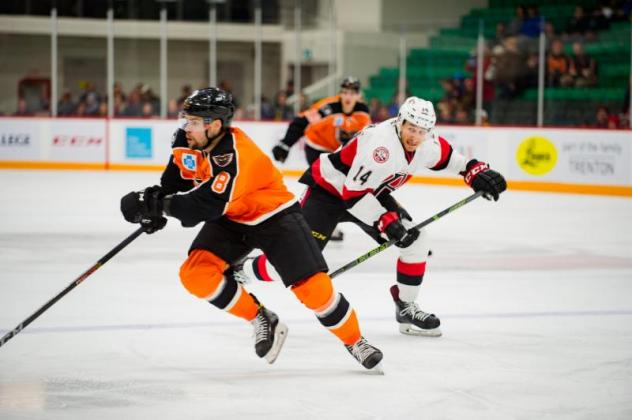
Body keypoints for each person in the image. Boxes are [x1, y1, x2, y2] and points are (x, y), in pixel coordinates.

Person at [119, 87, 383, 370]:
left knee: (314, 291)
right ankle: (261, 317)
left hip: (275, 216)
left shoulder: (235, 156)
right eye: (186, 119)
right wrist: (154, 203)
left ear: (215, 125)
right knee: (195, 275)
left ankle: (355, 341)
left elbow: (204, 206)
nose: (187, 127)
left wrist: (162, 207)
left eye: (194, 122)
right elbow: (177, 180)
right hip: (232, 218)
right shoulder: (187, 139)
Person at [239, 97, 507, 337]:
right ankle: (243, 268)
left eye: (421, 131)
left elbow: (455, 161)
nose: (415, 136)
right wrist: (385, 221)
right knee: (296, 264)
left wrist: (476, 172)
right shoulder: (381, 146)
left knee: (416, 241)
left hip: (369, 194)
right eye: (411, 129)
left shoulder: (427, 144)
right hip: (329, 194)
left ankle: (406, 306)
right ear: (400, 122)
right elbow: (351, 194)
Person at [271, 76, 371, 241]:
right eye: (345, 92)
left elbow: (366, 139)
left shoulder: (363, 114)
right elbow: (301, 121)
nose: (348, 96)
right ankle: (316, 221)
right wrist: (285, 144)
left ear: (359, 95)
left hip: (338, 152)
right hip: (316, 146)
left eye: (352, 93)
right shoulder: (328, 108)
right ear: (340, 93)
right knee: (323, 185)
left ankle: (327, 222)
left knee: (340, 185)